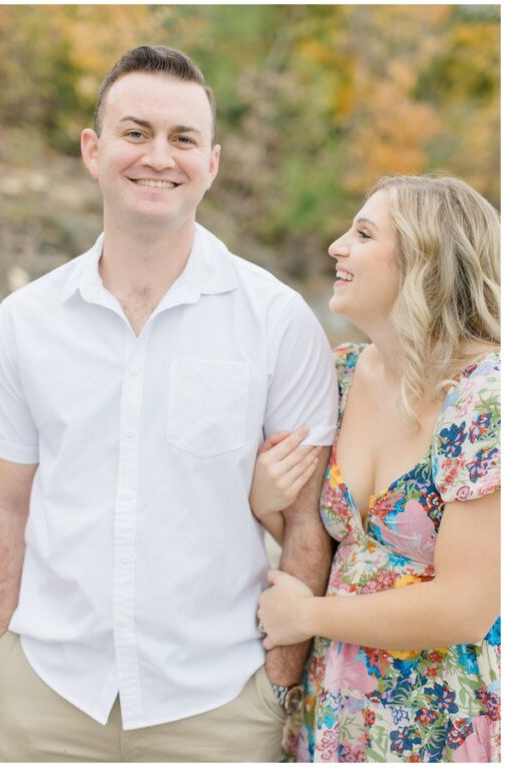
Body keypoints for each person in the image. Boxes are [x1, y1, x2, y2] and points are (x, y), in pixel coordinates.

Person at [0, 45, 339, 762]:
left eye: (183, 139)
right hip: (46, 695)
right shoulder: (26, 319)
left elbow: (308, 525)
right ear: (93, 150)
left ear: (211, 162)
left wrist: (278, 685)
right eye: (135, 132)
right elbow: (10, 504)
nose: (159, 156)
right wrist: (0, 654)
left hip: (216, 704)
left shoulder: (276, 319)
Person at [251, 175, 501, 761]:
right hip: (335, 702)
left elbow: (466, 606)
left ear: (425, 260)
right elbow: (337, 551)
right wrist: (267, 504)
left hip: (436, 717)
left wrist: (305, 616)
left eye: (362, 234)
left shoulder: (485, 398)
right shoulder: (338, 375)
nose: (337, 246)